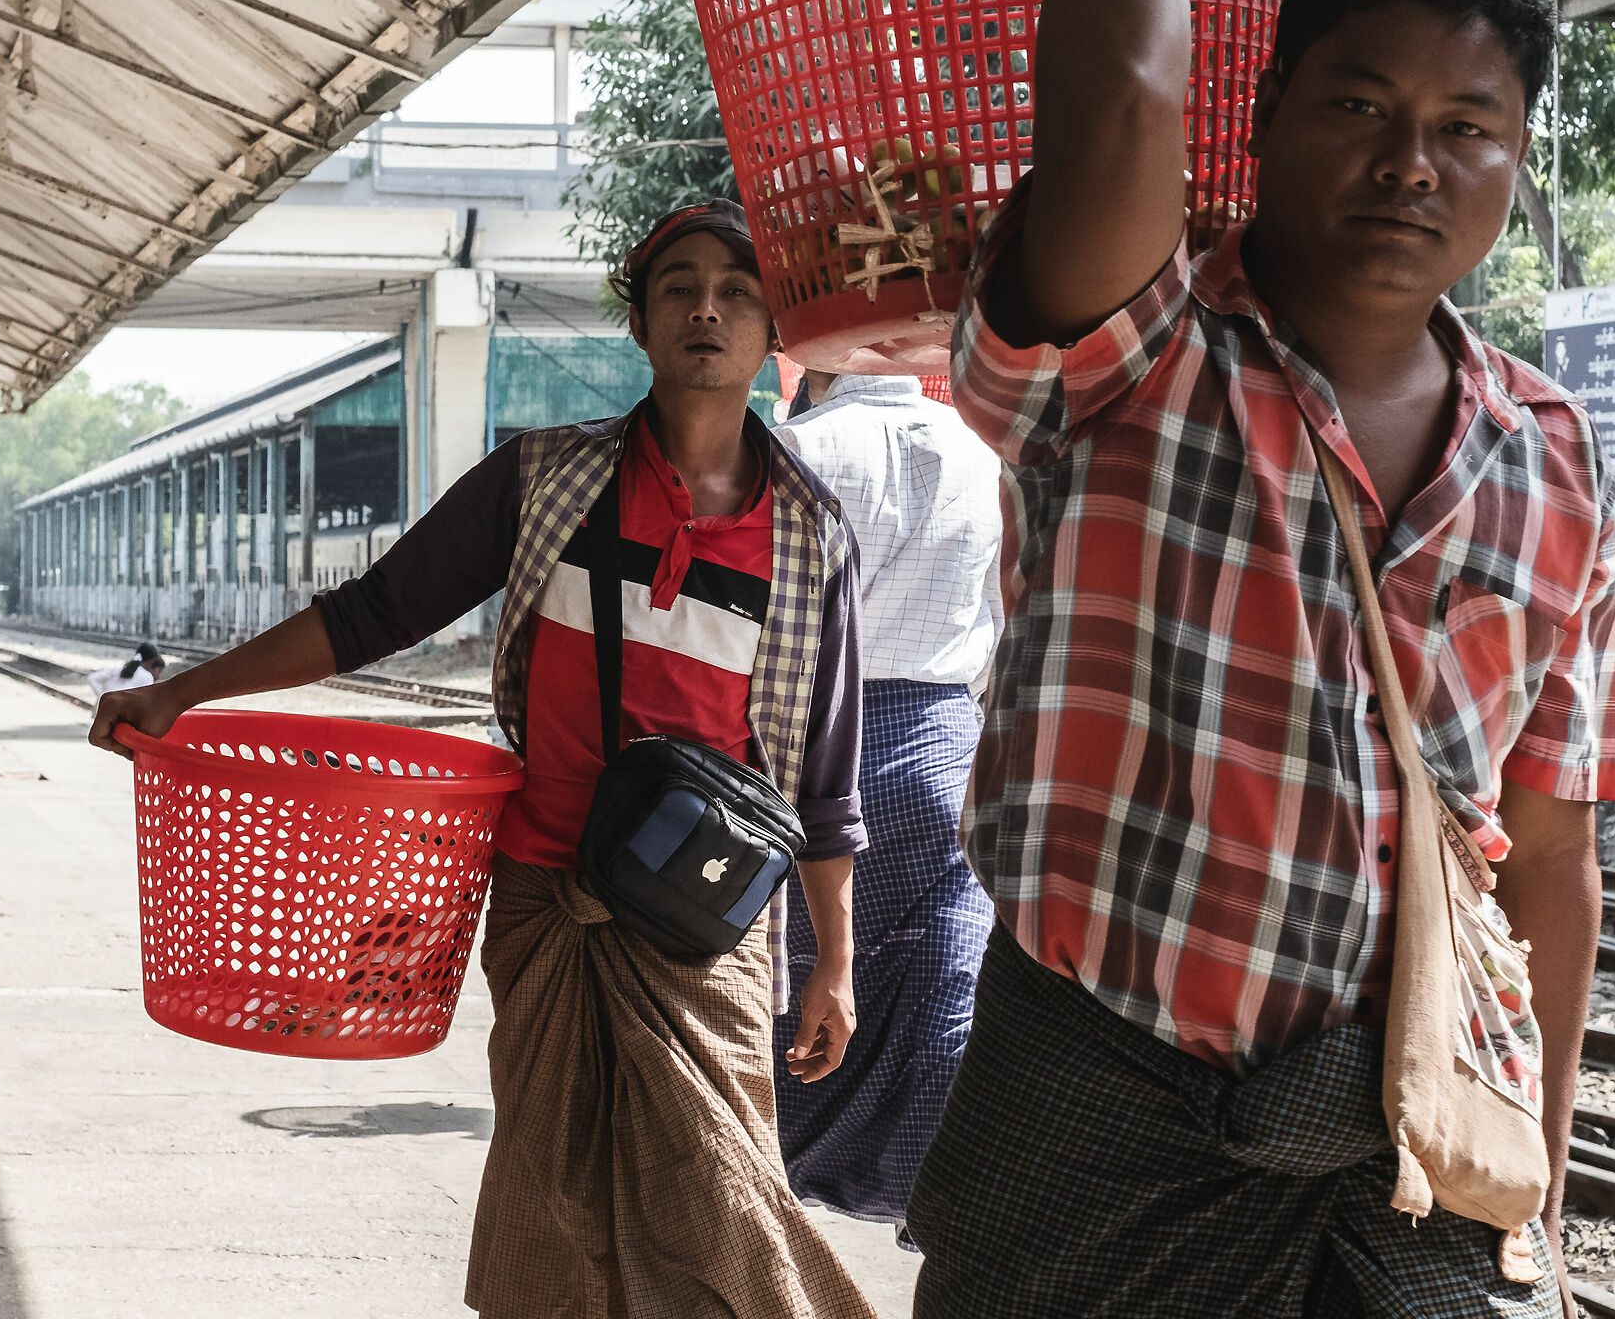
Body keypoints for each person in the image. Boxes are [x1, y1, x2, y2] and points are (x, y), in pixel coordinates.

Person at [906, 0, 1615, 1319]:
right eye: (1362, 105)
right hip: (1101, 1108)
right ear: (1264, 114)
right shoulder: (1139, 354)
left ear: (1514, 162)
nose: (1410, 162)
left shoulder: (1563, 473)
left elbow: (1557, 855)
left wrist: (1544, 1180)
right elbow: (1116, 108)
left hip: (1413, 1129)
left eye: (1469, 127)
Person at [90, 200, 879, 1319]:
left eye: (738, 289)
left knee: (724, 1199)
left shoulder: (811, 533)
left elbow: (824, 779)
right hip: (545, 900)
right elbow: (374, 612)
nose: (708, 306)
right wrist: (183, 691)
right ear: (643, 328)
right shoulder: (544, 480)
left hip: (707, 927)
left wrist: (834, 964)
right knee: (552, 1202)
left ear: (773, 332)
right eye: (678, 287)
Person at [770, 370, 1002, 1242]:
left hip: (810, 755)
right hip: (943, 757)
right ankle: (941, 1201)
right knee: (944, 981)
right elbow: (1004, 627)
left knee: (792, 976)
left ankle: (777, 1165)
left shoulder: (790, 453)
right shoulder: (984, 458)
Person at [85, 642, 166, 699]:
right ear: (151, 661)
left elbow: (92, 678)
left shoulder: (118, 668)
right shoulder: (147, 677)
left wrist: (103, 697)